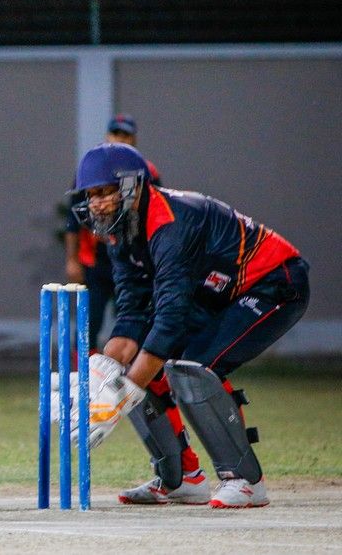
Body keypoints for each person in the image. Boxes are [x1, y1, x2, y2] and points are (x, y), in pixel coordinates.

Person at [62, 142, 309, 508]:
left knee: (194, 367)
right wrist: (102, 374)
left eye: (103, 192)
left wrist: (121, 395)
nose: (95, 203)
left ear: (131, 186)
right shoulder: (120, 231)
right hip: (217, 291)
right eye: (90, 195)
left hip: (274, 282)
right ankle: (181, 478)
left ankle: (245, 479)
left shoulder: (172, 225)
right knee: (135, 368)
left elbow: (170, 322)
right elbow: (131, 316)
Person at [63, 114, 160, 351]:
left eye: (126, 135)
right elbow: (73, 221)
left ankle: (130, 368)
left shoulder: (145, 172)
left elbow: (155, 211)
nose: (121, 139)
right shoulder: (91, 168)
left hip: (131, 257)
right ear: (108, 136)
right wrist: (72, 260)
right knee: (89, 321)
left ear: (134, 139)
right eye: (117, 134)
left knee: (132, 320)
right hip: (97, 261)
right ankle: (83, 369)